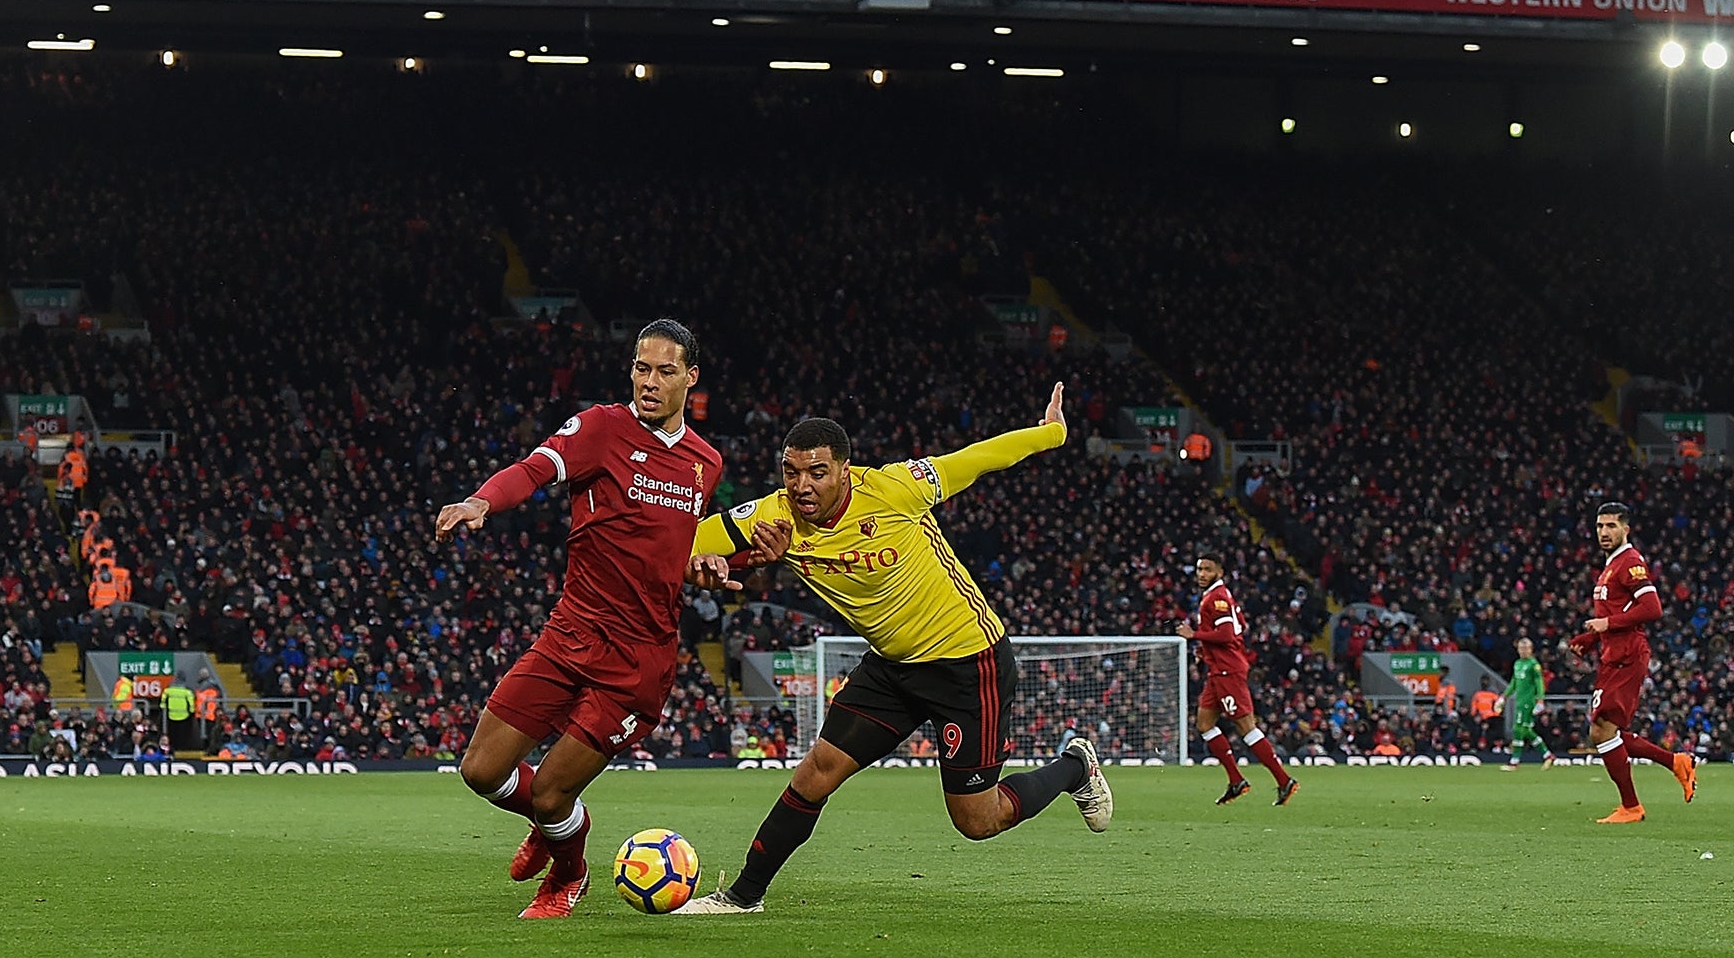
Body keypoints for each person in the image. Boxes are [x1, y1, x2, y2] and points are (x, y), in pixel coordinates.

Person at [676, 386, 1111, 916]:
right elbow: (686, 545)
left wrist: (1052, 432)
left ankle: (1073, 767)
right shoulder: (773, 517)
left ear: (844, 470)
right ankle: (743, 896)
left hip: (967, 663)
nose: (802, 485)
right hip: (892, 669)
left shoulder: (896, 487)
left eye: (816, 472)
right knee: (816, 772)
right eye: (791, 473)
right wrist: (719, 568)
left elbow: (977, 459)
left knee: (978, 821)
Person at [434, 319, 723, 919]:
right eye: (642, 368)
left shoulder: (705, 463)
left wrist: (705, 564)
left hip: (637, 661)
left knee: (549, 790)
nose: (650, 381)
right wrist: (480, 500)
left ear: (690, 379)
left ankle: (568, 873)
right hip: (570, 632)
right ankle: (560, 824)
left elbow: (672, 545)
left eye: (665, 371)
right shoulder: (600, 429)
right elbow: (532, 470)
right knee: (481, 770)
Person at [1566, 503, 1697, 821]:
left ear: (1626, 528)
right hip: (1613, 655)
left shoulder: (1630, 563)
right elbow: (1611, 615)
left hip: (1627, 655)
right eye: (1599, 526)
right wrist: (1590, 638)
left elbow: (1652, 609)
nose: (1604, 532)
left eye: (1611, 526)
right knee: (1605, 731)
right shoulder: (1610, 566)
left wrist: (1607, 626)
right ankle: (1675, 762)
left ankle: (1631, 806)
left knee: (1601, 731)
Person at [1177, 549, 1298, 807]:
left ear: (1219, 572)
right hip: (1217, 670)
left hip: (1228, 671)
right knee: (1204, 723)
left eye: (1207, 569)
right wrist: (1205, 649)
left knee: (1246, 728)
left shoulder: (1217, 598)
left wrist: (1195, 635)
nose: (1202, 574)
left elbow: (1227, 634)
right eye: (1199, 569)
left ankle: (1284, 780)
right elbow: (1240, 626)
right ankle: (1236, 780)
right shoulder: (1217, 596)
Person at [1500, 636, 1554, 770]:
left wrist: (1540, 700)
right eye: (1521, 648)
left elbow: (1539, 683)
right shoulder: (1517, 664)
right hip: (1519, 701)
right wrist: (1504, 697)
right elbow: (1513, 683)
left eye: (1526, 648)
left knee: (1518, 730)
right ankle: (1547, 755)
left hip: (1527, 703)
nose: (1523, 651)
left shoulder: (1533, 665)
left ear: (1531, 650)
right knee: (1527, 731)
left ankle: (1514, 761)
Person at [161, 671, 198, 756]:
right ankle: (182, 749)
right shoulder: (187, 692)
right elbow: (191, 705)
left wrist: (163, 709)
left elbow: (163, 703)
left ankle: (173, 748)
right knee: (183, 735)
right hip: (184, 716)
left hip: (171, 715)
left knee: (173, 734)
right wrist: (192, 713)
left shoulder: (168, 690)